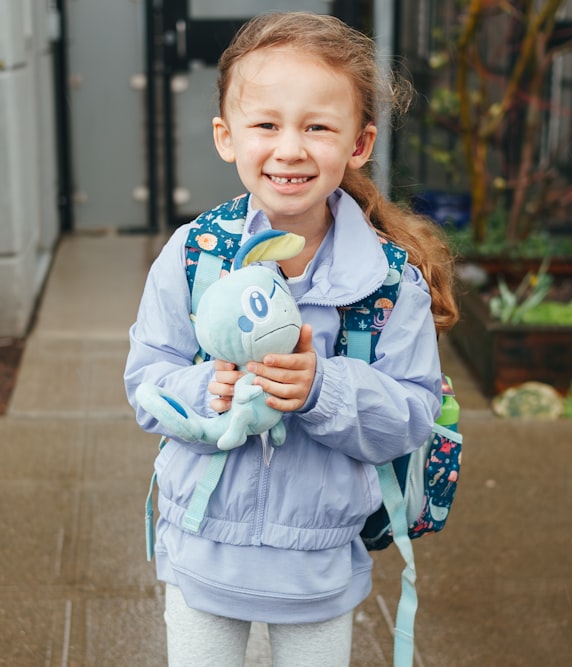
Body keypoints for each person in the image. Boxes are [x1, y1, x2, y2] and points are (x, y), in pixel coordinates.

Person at [125, 11, 458, 666]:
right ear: (226, 136)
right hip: (203, 550)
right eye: (266, 124)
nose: (290, 148)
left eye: (317, 127)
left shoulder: (388, 281)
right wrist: (208, 390)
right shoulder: (195, 254)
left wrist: (321, 388)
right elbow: (147, 382)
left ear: (358, 144)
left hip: (318, 563)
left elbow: (413, 412)